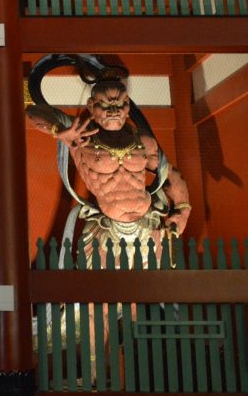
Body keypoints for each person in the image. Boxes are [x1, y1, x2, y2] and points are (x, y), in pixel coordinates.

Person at [27, 77, 191, 266]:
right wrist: (58, 130)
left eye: (120, 104)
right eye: (105, 105)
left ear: (128, 105)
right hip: (106, 229)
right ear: (91, 105)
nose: (114, 111)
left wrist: (182, 209)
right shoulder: (81, 136)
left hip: (149, 224)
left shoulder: (142, 141)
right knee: (102, 291)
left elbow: (170, 173)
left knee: (154, 291)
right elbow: (32, 112)